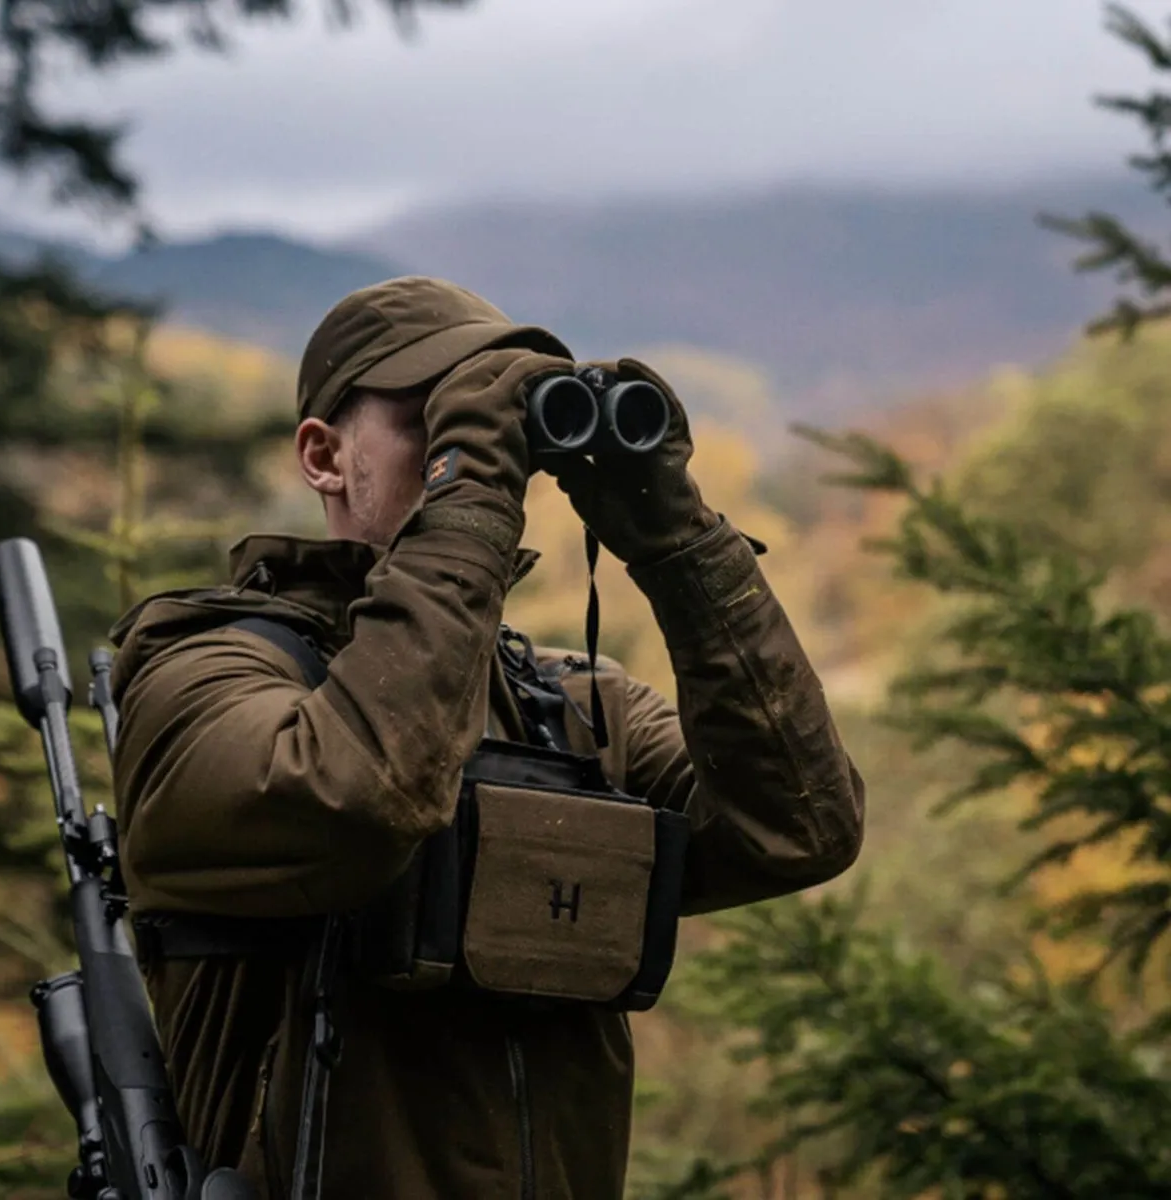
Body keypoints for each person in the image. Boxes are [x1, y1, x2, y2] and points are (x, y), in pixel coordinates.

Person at [107, 275, 865, 1200]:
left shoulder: (572, 710)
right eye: (436, 419)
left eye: (499, 425)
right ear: (323, 455)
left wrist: (679, 542)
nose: (481, 453)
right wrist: (466, 503)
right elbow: (362, 793)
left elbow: (801, 827)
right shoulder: (207, 676)